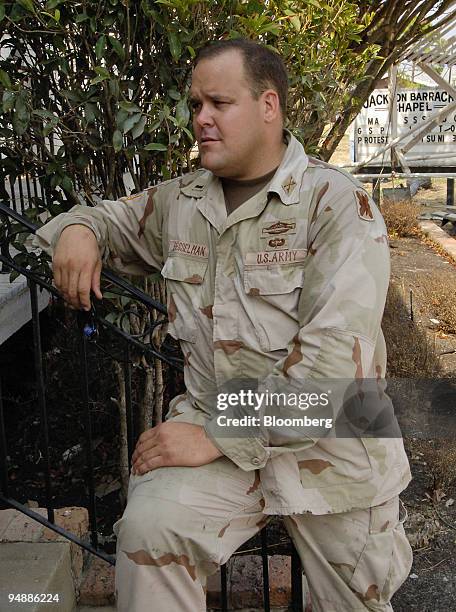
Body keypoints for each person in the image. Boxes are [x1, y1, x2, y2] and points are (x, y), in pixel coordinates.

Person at [34, 38, 413, 611]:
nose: (201, 119)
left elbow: (331, 374)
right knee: (150, 532)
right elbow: (109, 221)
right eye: (195, 105)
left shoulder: (336, 206)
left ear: (269, 106)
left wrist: (213, 435)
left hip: (333, 451)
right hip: (217, 441)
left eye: (219, 103)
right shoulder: (183, 202)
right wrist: (80, 232)